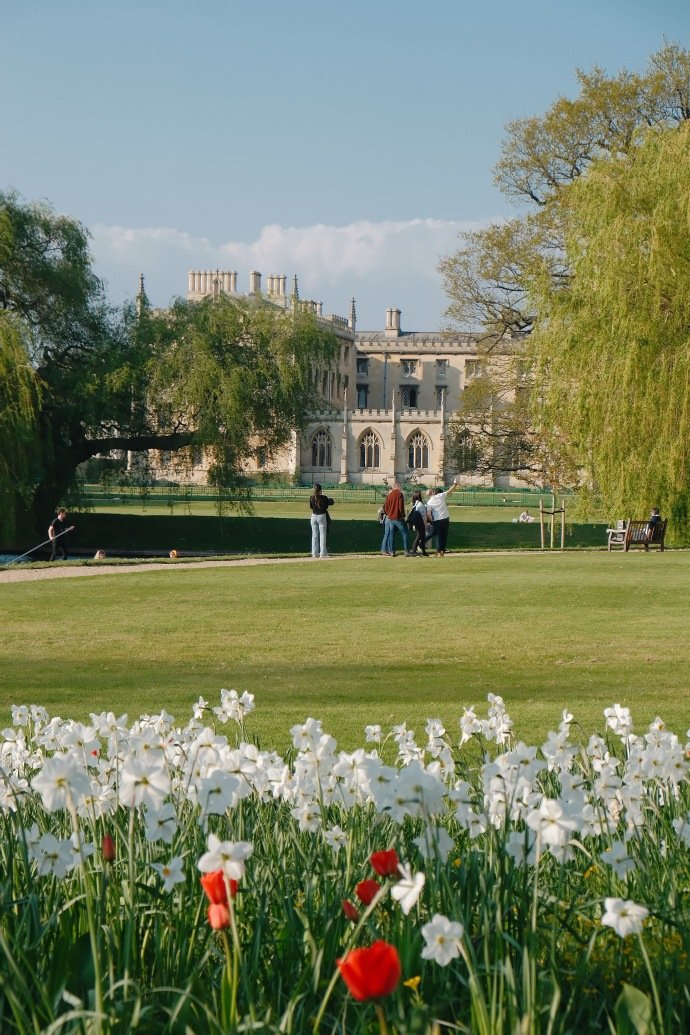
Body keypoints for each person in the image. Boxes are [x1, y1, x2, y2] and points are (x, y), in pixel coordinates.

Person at [426, 479, 460, 556]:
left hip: (437, 520)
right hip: (445, 518)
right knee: (444, 535)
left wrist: (432, 521)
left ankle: (439, 551)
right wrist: (455, 484)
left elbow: (429, 514)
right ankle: (442, 550)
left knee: (439, 535)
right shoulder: (440, 496)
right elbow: (449, 491)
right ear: (433, 492)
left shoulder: (429, 503)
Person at [380, 480, 411, 556]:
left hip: (390, 518)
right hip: (397, 517)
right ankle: (406, 551)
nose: (401, 488)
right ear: (397, 486)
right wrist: (403, 515)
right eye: (400, 486)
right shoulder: (399, 494)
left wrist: (389, 514)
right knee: (405, 533)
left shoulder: (389, 495)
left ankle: (392, 551)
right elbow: (400, 507)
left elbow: (385, 507)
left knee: (392, 534)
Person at [309, 483, 334, 559]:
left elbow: (311, 507)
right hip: (321, 516)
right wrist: (323, 495)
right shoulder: (324, 497)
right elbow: (326, 506)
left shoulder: (311, 497)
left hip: (313, 516)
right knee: (322, 535)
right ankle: (322, 553)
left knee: (314, 535)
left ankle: (314, 553)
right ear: (320, 490)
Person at [406, 491, 429, 556]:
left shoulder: (415, 504)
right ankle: (414, 551)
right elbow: (423, 515)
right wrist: (425, 523)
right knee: (419, 537)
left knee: (421, 537)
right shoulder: (420, 504)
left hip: (417, 523)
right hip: (420, 523)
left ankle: (423, 551)